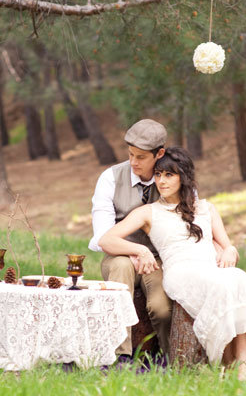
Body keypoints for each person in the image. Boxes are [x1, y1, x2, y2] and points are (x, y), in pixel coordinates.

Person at [98, 147, 246, 381]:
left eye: (168, 175)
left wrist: (230, 251)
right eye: (158, 175)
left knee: (241, 279)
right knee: (221, 284)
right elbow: (106, 240)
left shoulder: (206, 208)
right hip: (181, 272)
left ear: (183, 177)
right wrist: (140, 249)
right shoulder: (148, 212)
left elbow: (227, 245)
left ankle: (242, 367)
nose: (161, 181)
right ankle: (224, 362)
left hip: (209, 267)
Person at [89, 119, 172, 362]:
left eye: (141, 157)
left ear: (160, 154)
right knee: (122, 268)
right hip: (117, 256)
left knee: (161, 308)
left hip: (156, 261)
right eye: (130, 154)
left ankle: (166, 357)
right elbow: (101, 238)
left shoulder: (173, 179)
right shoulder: (110, 178)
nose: (133, 162)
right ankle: (120, 357)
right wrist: (137, 250)